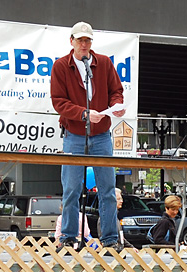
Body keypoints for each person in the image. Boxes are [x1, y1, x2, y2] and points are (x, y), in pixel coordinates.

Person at [51, 21, 125, 252]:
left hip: (102, 134)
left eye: (87, 40)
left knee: (108, 189)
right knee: (71, 189)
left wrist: (116, 106)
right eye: (80, 40)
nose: (84, 44)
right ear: (71, 41)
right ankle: (69, 237)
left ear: (91, 42)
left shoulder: (103, 63)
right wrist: (83, 113)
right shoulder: (61, 66)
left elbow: (116, 91)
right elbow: (58, 102)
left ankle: (111, 239)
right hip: (74, 134)